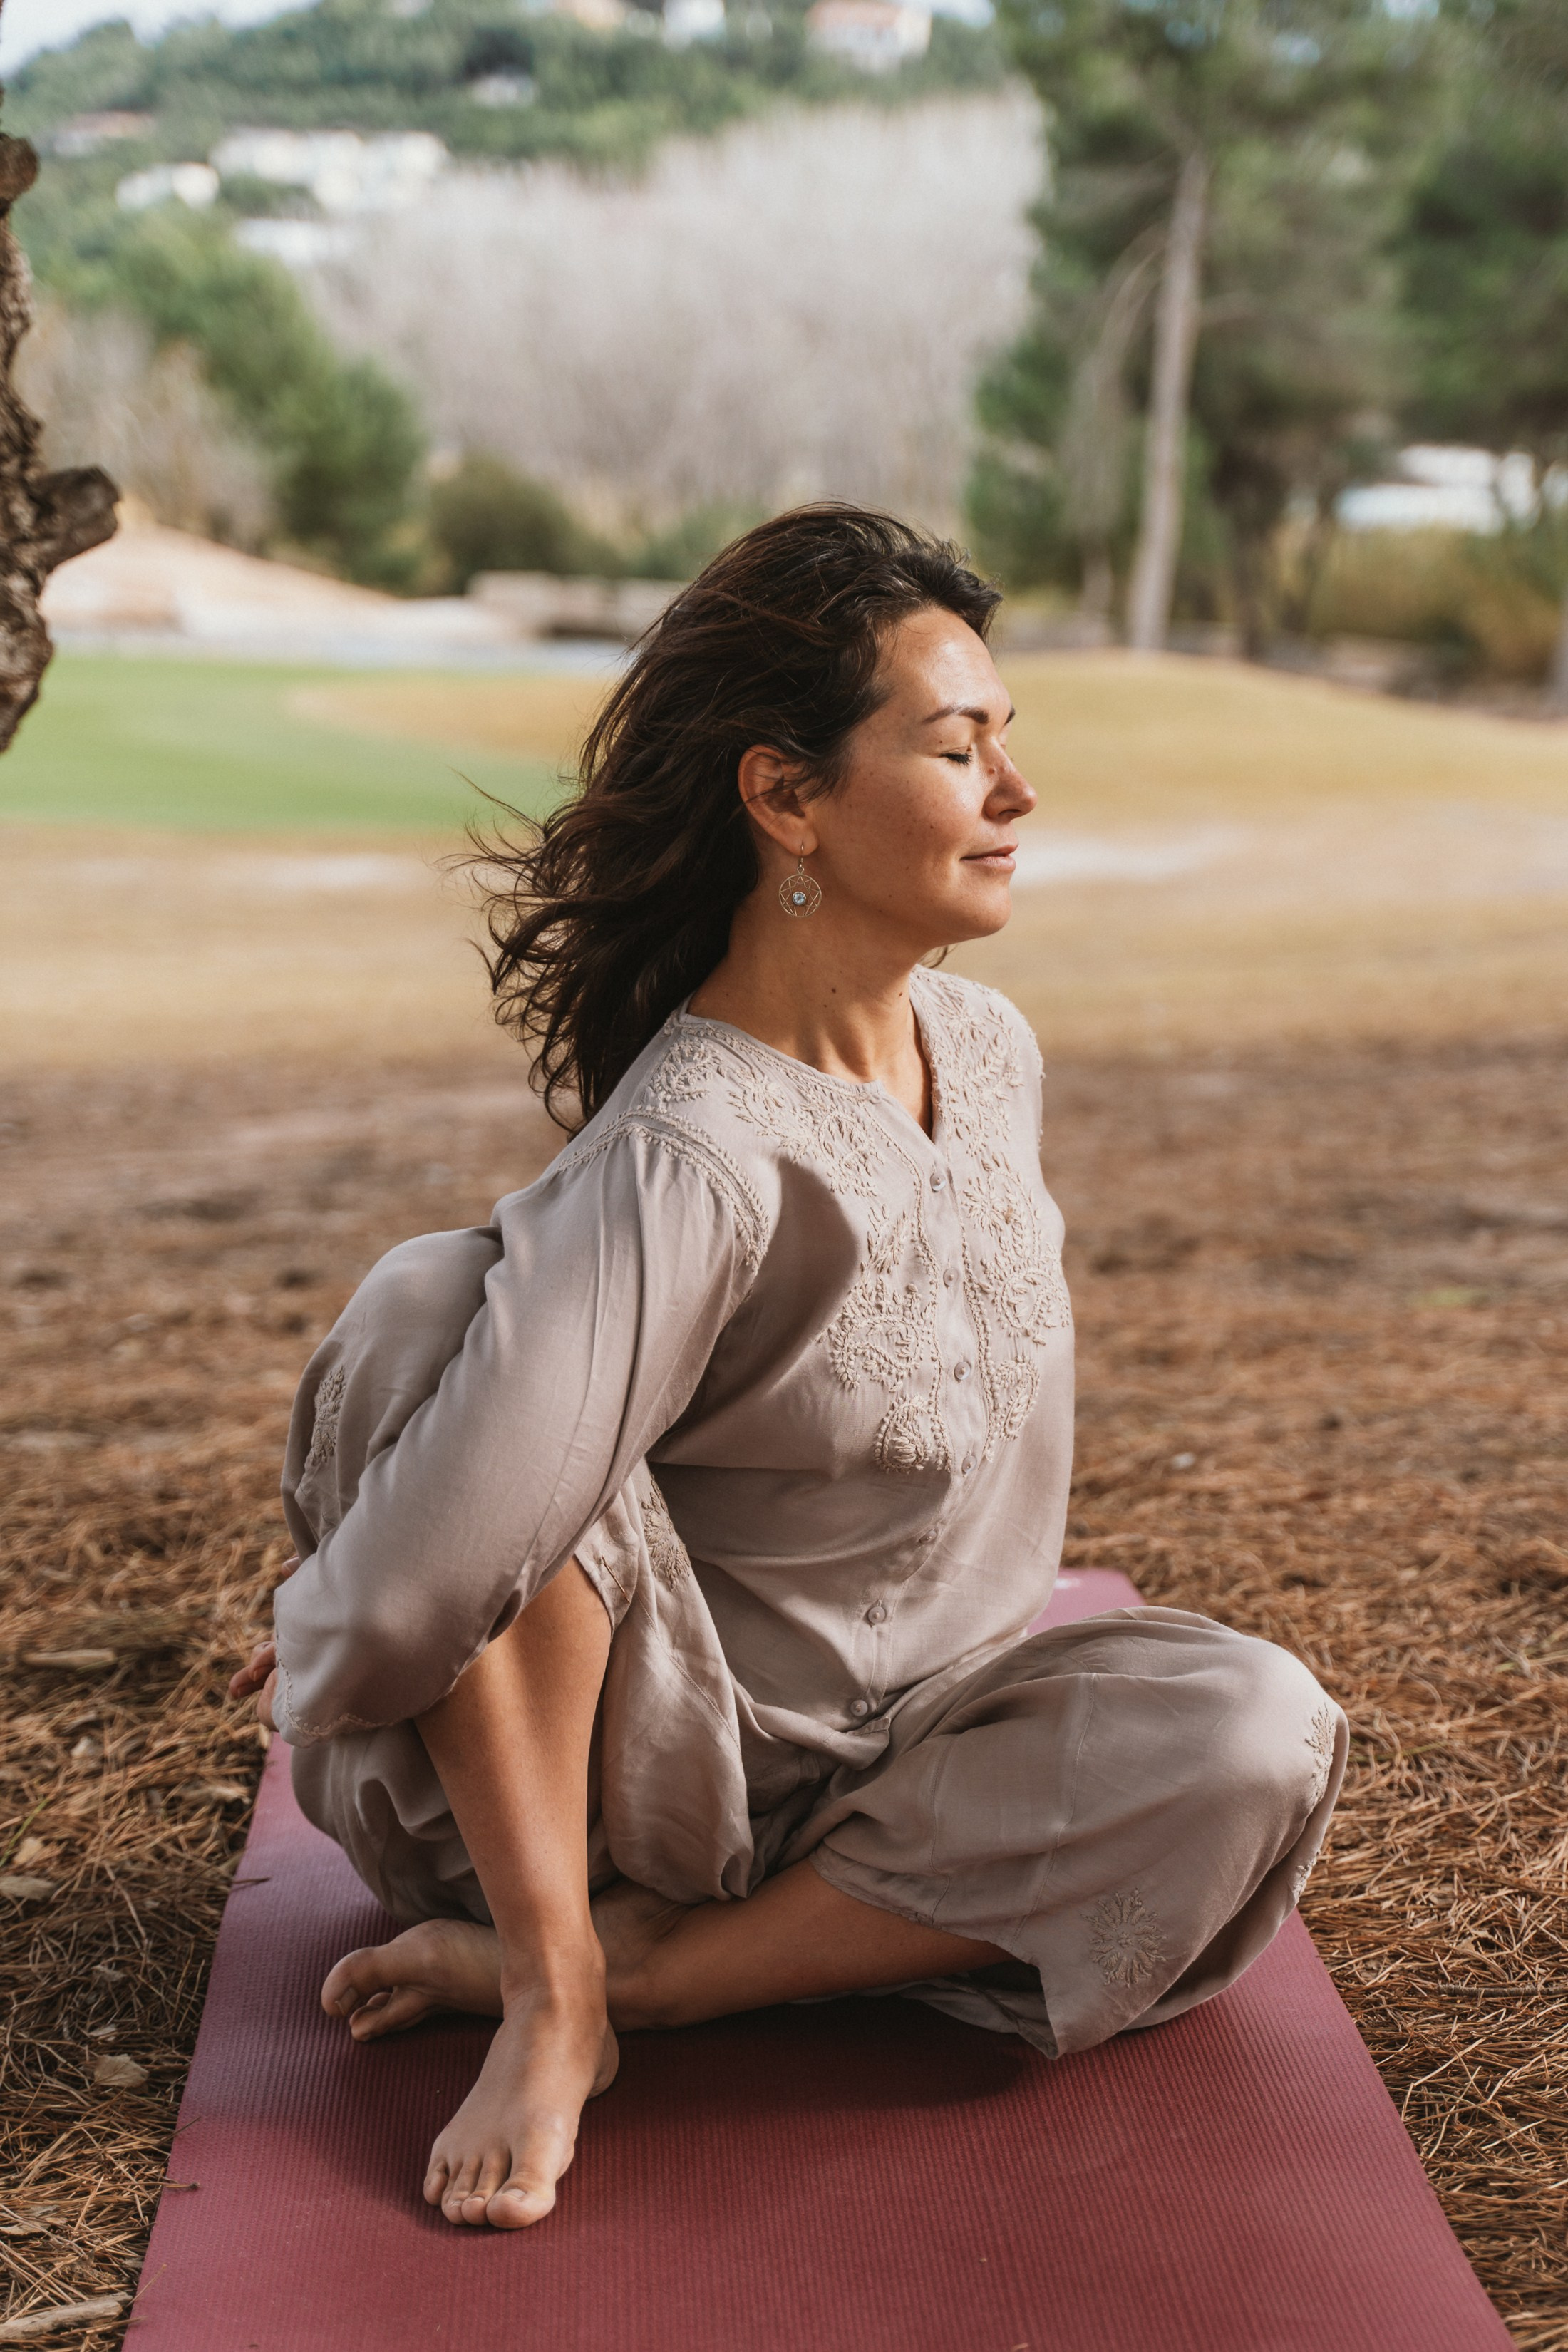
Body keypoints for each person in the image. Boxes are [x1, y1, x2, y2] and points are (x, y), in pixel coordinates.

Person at [229, 505, 1346, 2237]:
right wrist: (334, 1627)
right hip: (636, 1780)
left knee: (1252, 1727)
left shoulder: (982, 1048)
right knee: (434, 1313)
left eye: (1006, 746)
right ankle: (551, 1979)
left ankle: (659, 1986)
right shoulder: (695, 1150)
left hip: (916, 1758)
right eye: (954, 748)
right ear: (786, 797)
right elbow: (465, 1550)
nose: (1014, 794)